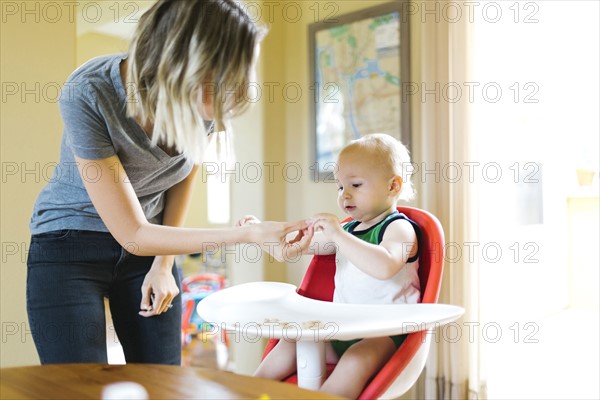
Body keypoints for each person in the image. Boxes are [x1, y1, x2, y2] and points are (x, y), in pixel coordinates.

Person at [27, 0, 308, 366]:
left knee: (163, 380)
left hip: (151, 247)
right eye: (226, 76)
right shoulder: (90, 92)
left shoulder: (206, 102)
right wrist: (246, 236)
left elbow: (183, 172)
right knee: (78, 384)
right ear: (182, 64)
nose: (232, 92)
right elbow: (132, 232)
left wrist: (163, 265)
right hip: (68, 245)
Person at [240, 133, 420, 399]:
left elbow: (385, 266)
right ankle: (245, 391)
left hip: (384, 335)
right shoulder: (348, 229)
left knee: (355, 361)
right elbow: (297, 248)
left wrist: (339, 235)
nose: (344, 194)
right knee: (292, 342)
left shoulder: (399, 228)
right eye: (339, 187)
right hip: (341, 329)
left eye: (356, 184)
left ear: (393, 186)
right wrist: (259, 235)